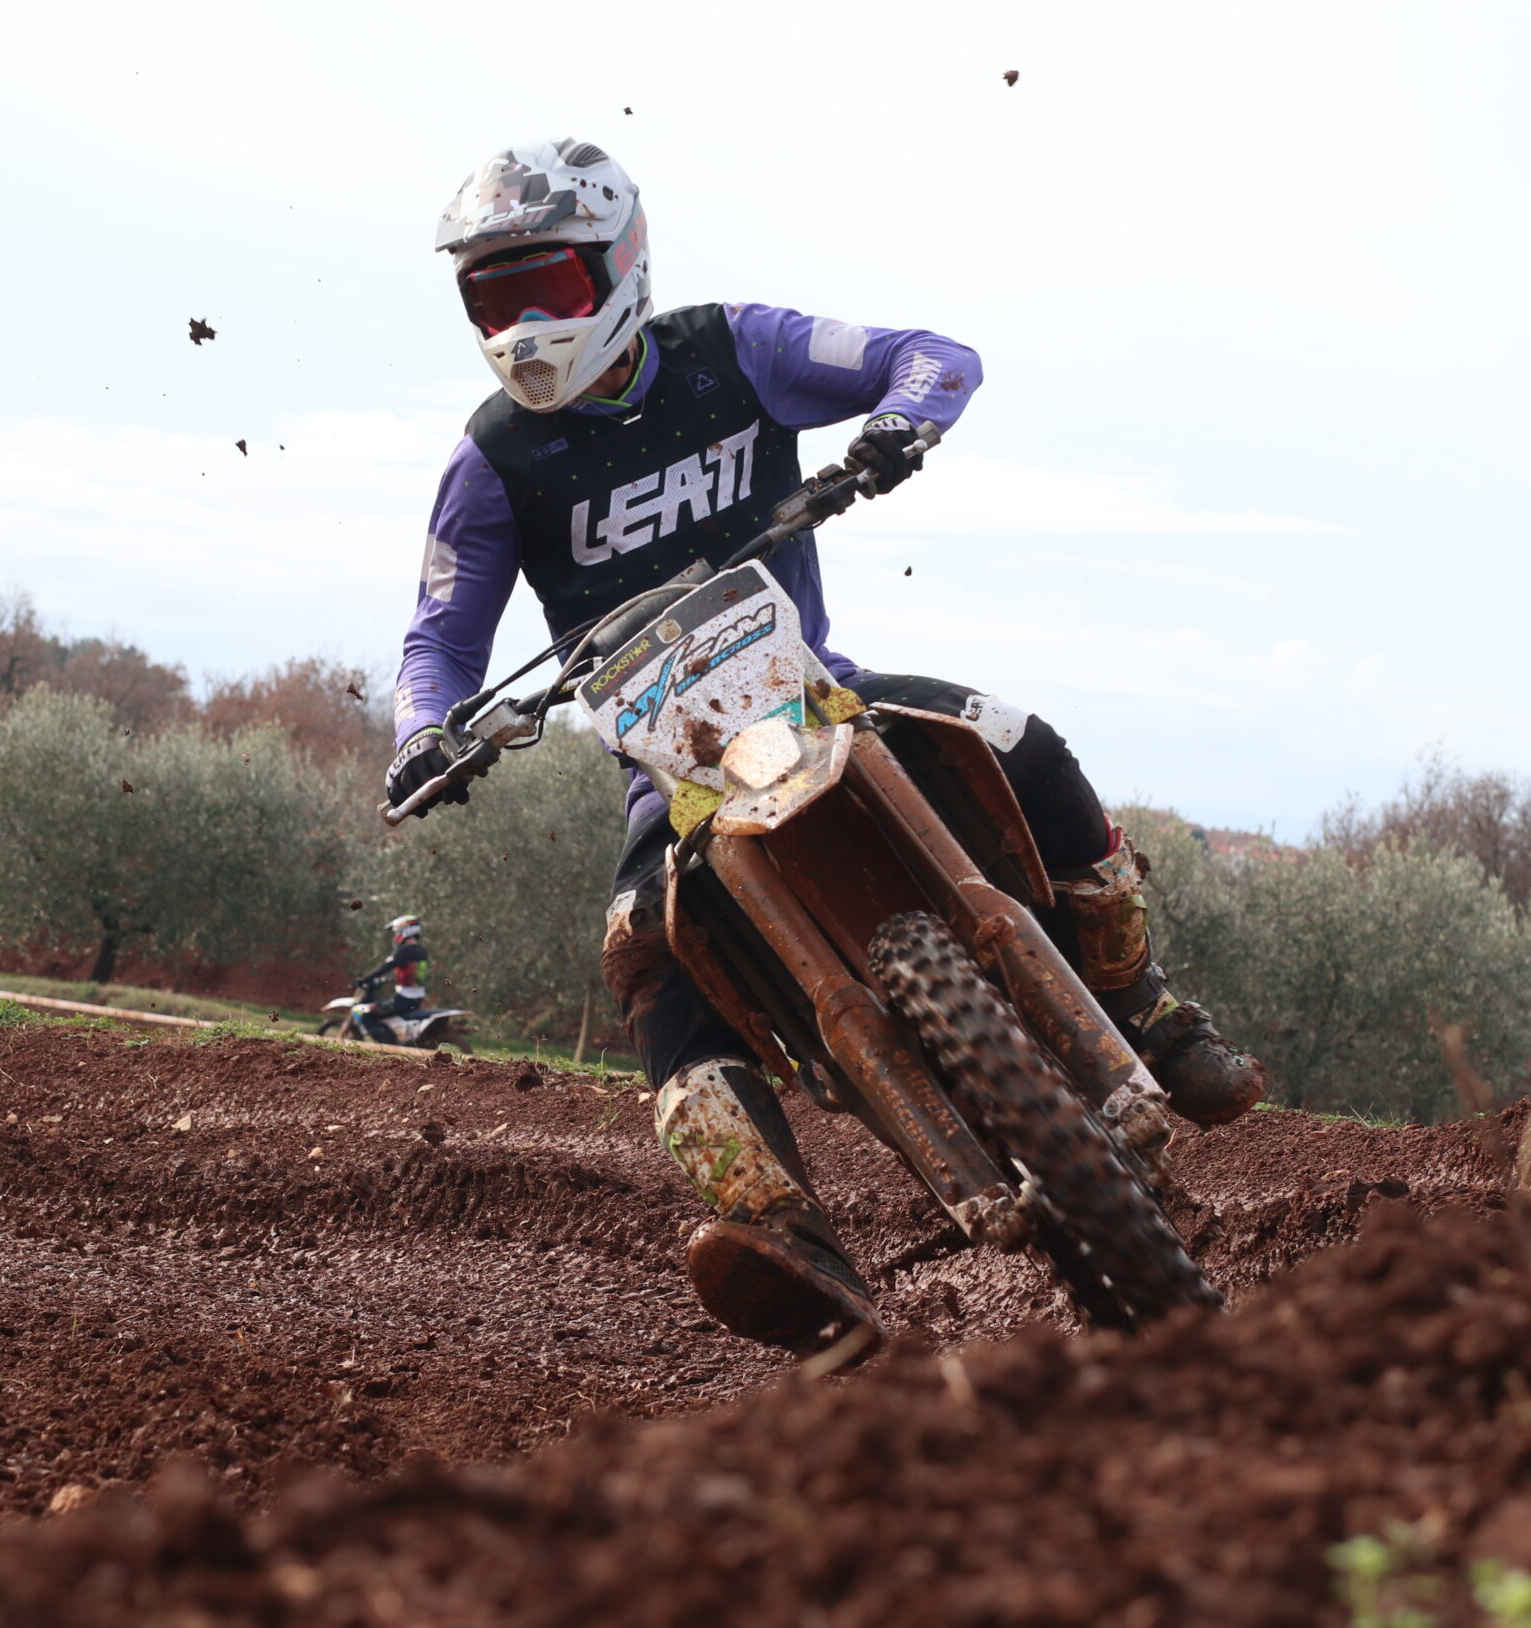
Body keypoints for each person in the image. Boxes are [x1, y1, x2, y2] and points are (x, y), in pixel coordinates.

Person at [387, 140, 1265, 1359]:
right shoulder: (492, 459)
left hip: (817, 691)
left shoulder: (733, 349)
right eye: (492, 301)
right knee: (644, 951)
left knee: (1022, 743)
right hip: (673, 767)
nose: (523, 326)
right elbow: (441, 635)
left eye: (546, 288)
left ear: (619, 263)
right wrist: (425, 734)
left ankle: (1144, 1008)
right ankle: (780, 1228)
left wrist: (900, 425)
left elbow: (932, 354)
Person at [352, 915, 432, 1040]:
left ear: (405, 931)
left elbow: (384, 967)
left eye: (396, 932)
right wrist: (390, 979)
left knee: (367, 1015)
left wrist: (365, 979)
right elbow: (412, 974)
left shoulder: (405, 951)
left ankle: (385, 1045)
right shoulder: (422, 951)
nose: (395, 936)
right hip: (417, 999)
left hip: (403, 999)